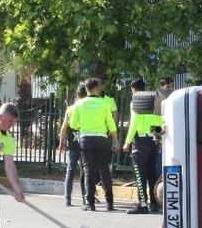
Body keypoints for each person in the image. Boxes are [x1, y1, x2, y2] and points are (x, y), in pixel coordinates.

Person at [70, 78, 118, 211]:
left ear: (86, 89)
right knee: (104, 171)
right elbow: (112, 125)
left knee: (89, 171)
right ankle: (110, 203)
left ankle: (90, 203)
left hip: (86, 140)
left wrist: (84, 126)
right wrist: (116, 140)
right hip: (102, 139)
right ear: (97, 88)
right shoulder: (104, 104)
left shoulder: (79, 104)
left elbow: (73, 125)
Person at [123, 78, 164, 214]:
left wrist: (127, 142)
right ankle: (154, 203)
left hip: (140, 142)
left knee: (139, 174)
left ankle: (142, 204)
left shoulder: (136, 101)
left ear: (133, 89)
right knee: (152, 173)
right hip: (155, 140)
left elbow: (134, 123)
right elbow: (161, 120)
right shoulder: (155, 100)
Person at [58, 84, 87, 207]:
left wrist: (61, 142)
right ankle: (86, 198)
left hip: (73, 143)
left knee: (70, 171)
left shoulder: (70, 109)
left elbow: (64, 127)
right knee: (86, 171)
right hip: (86, 143)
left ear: (77, 95)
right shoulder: (88, 108)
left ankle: (67, 199)